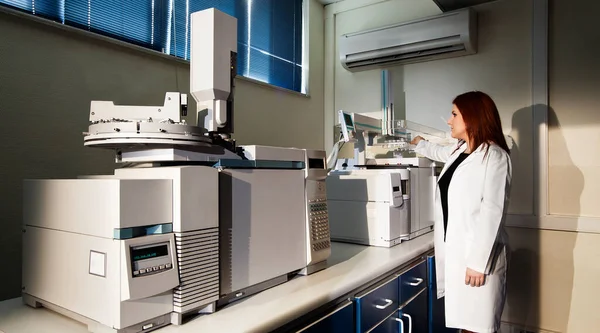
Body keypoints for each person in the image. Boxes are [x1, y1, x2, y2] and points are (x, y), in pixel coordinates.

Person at [410, 91, 511, 333]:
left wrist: (478, 263)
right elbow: (438, 152)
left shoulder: (495, 156)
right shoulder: (459, 152)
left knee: (478, 327)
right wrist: (420, 144)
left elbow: (492, 211)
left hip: (479, 261)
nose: (448, 120)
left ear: (472, 117)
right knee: (465, 326)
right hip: (458, 257)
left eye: (454, 114)